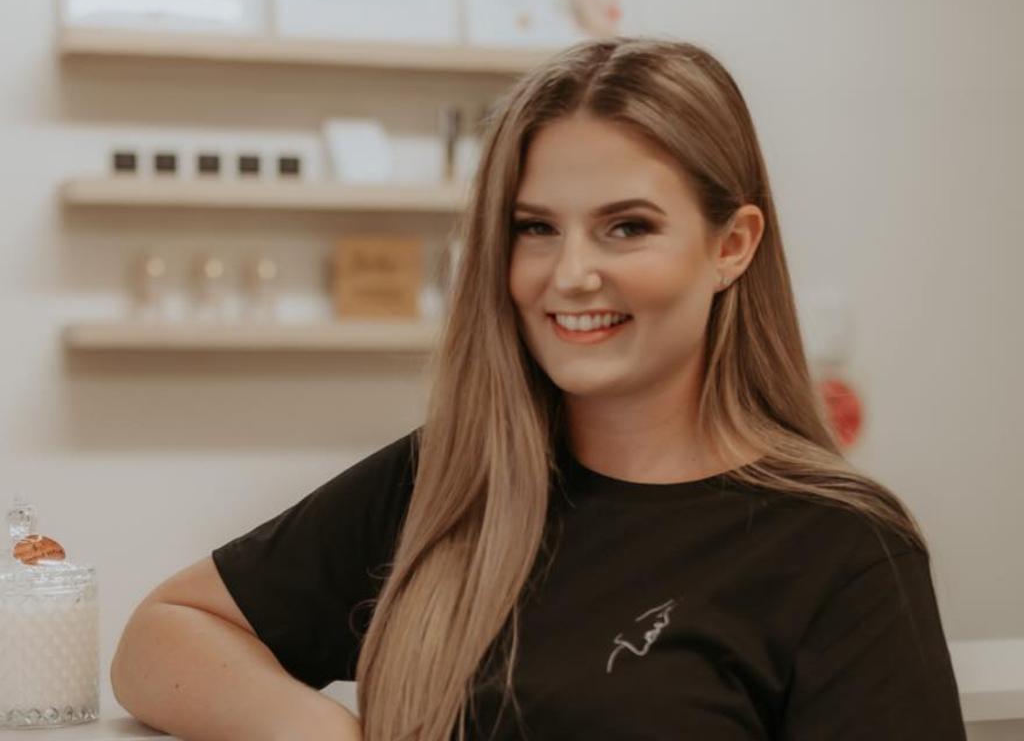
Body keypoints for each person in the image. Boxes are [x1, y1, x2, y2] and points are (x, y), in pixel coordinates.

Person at [110, 37, 967, 741]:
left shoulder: (843, 549)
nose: (571, 274)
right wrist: (325, 733)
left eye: (627, 227)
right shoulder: (447, 483)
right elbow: (160, 640)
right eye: (536, 230)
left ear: (732, 245)